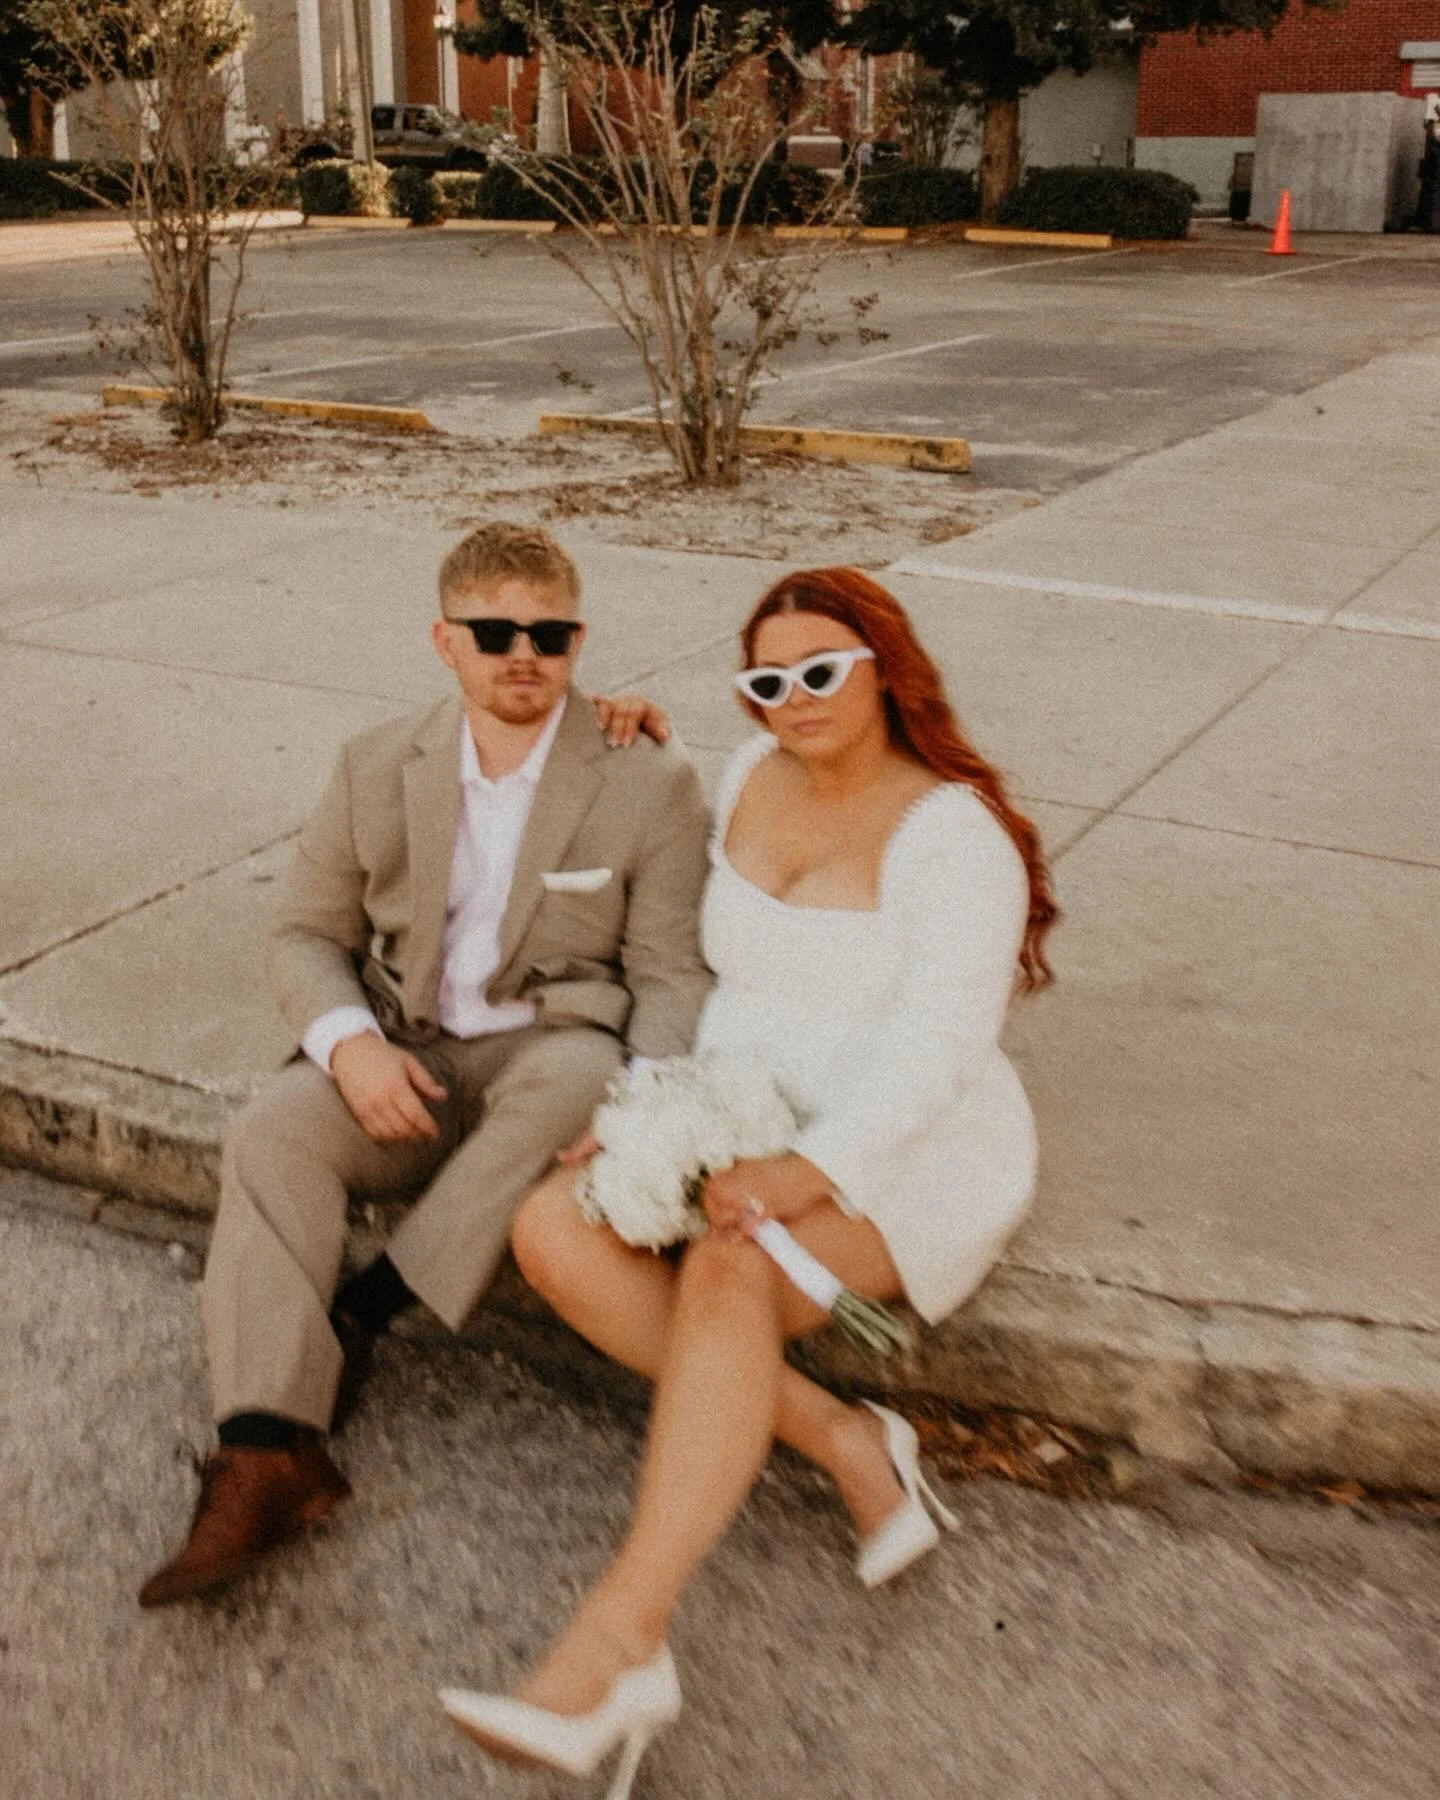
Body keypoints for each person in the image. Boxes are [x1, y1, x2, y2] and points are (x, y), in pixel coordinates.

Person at [439, 566, 1058, 1794]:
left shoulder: (954, 834)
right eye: (767, 680)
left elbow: (937, 1052)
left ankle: (623, 1643)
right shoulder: (743, 776)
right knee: (553, 1228)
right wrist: (650, 1123)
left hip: (903, 1146)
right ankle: (844, 1437)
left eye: (823, 670)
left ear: (888, 667)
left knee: (732, 1268)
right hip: (739, 1107)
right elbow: (726, 981)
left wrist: (804, 1170)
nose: (795, 697)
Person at [139, 523, 712, 1608]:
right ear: (444, 640)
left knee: (590, 1074)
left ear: (579, 638)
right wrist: (351, 1047)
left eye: (548, 633)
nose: (522, 654)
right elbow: (305, 935)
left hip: (545, 1056)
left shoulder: (650, 778)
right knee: (271, 1129)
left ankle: (367, 1306)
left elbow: (671, 972)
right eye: (494, 631)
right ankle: (268, 1450)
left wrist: (651, 1109)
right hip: (406, 1054)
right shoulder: (374, 764)